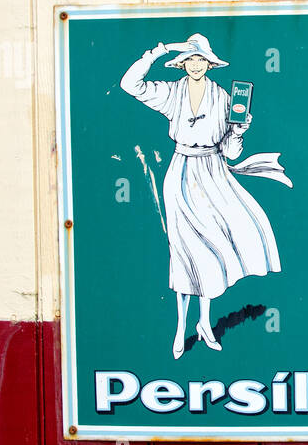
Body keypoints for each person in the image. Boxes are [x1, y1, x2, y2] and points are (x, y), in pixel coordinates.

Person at [120, 33, 291, 359]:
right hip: (181, 171)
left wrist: (238, 131)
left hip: (213, 172)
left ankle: (203, 322)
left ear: (210, 64)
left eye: (201, 59)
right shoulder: (171, 93)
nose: (196, 64)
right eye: (191, 59)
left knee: (211, 250)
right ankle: (181, 325)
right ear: (183, 63)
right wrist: (160, 50)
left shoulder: (224, 98)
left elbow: (229, 150)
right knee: (182, 250)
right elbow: (131, 84)